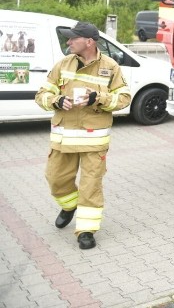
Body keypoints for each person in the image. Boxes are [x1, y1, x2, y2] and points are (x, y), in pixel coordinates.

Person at [34, 22, 131, 250]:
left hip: (93, 141)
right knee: (55, 180)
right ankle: (69, 206)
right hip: (63, 139)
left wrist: (98, 98)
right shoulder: (62, 64)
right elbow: (42, 94)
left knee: (90, 186)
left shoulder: (111, 67)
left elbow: (124, 98)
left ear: (88, 41)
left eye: (72, 39)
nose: (68, 42)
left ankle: (86, 230)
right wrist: (55, 100)